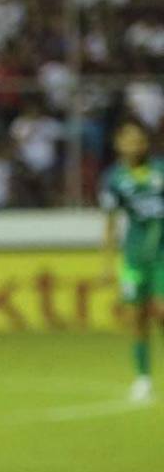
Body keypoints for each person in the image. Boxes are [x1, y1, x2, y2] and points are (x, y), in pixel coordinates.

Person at [99, 120, 164, 402]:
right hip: (134, 257)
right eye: (128, 140)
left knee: (162, 311)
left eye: (138, 139)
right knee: (136, 317)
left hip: (162, 254)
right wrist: (106, 263)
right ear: (118, 144)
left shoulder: (160, 171)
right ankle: (143, 378)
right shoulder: (114, 179)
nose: (134, 145)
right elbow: (111, 224)